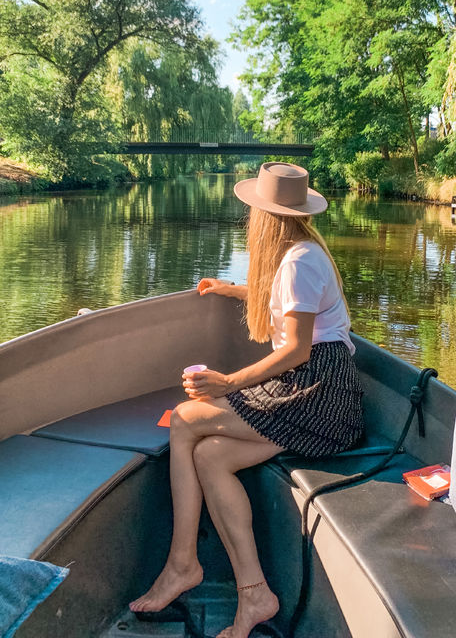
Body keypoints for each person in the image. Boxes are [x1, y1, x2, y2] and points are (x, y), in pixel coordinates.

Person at [129, 162, 364, 638]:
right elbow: (281, 302)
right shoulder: (297, 252)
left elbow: (297, 348)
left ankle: (182, 563)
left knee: (183, 420)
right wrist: (227, 288)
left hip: (315, 391)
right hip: (313, 388)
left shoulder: (299, 261)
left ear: (265, 215)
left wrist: (229, 383)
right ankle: (254, 593)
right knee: (212, 458)